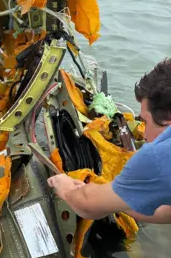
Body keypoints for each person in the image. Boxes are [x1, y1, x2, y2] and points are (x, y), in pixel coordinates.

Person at [48, 58, 171, 224]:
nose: (145, 135)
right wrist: (115, 200)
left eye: (146, 122)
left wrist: (65, 187)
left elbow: (86, 205)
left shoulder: (159, 155)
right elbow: (166, 212)